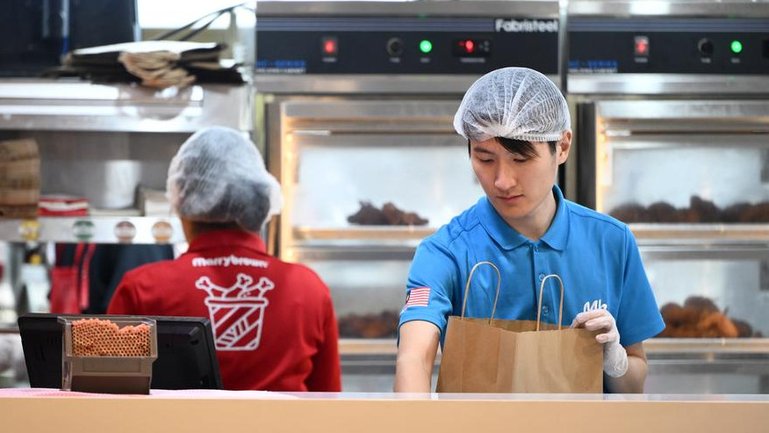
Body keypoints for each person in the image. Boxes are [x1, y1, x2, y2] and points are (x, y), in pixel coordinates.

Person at [394, 67, 665, 394]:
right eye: (485, 158)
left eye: (520, 160)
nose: (502, 181)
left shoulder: (612, 242)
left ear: (562, 146)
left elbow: (635, 382)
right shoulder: (446, 252)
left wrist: (615, 360)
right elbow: (414, 359)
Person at [107, 126, 341, 392]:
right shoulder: (308, 289)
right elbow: (328, 402)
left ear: (182, 199)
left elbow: (113, 403)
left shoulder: (143, 288)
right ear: (261, 202)